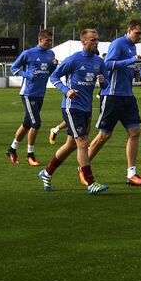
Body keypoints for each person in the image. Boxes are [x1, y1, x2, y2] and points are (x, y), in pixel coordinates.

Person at [40, 28, 108, 194]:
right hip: (71, 107)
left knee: (71, 144)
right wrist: (66, 90)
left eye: (97, 39)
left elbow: (104, 86)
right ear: (84, 42)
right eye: (93, 40)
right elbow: (54, 77)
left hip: (87, 107)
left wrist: (103, 81)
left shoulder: (99, 62)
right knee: (83, 143)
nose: (96, 42)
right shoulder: (74, 59)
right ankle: (91, 183)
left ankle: (47, 172)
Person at [89, 20, 141, 185]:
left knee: (135, 132)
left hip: (127, 96)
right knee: (104, 135)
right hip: (113, 95)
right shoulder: (118, 43)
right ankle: (83, 166)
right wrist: (129, 61)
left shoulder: (133, 47)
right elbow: (107, 64)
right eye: (137, 33)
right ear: (129, 30)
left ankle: (131, 175)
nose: (139, 37)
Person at [7, 30, 56, 167]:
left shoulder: (50, 54)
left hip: (41, 93)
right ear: (40, 39)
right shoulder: (28, 53)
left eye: (51, 41)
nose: (49, 43)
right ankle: (30, 154)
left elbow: (51, 71)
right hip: (28, 93)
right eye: (47, 40)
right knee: (36, 123)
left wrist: (55, 65)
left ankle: (12, 149)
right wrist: (27, 75)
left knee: (27, 124)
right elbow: (14, 68)